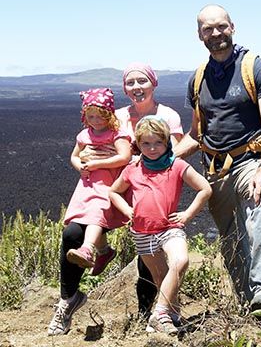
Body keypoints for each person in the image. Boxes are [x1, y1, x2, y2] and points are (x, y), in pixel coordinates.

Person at [174, 4, 261, 311]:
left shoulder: (254, 67)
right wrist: (163, 158)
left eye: (221, 26)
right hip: (215, 170)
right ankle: (248, 306)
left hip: (250, 161)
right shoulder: (198, 79)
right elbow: (196, 134)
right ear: (200, 35)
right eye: (208, 29)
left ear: (232, 27)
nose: (215, 33)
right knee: (231, 239)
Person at [80, 62, 184, 320]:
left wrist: (143, 161)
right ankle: (70, 300)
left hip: (153, 191)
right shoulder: (117, 117)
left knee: (151, 257)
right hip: (118, 186)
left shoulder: (169, 116)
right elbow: (96, 141)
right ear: (124, 87)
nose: (137, 87)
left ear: (153, 83)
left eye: (142, 81)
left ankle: (157, 312)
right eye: (131, 82)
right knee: (78, 231)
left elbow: (176, 151)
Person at [109, 116, 212, 334]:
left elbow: (205, 189)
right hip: (142, 232)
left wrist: (187, 215)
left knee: (181, 260)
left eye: (158, 142)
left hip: (169, 228)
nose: (153, 148)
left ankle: (159, 313)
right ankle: (172, 315)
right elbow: (113, 192)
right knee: (160, 277)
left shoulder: (177, 165)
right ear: (138, 144)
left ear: (167, 142)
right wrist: (127, 210)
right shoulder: (133, 169)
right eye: (146, 143)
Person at [48, 88, 132, 336]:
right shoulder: (84, 134)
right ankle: (104, 251)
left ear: (109, 114)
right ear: (85, 116)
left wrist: (97, 163)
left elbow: (125, 156)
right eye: (91, 116)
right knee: (75, 224)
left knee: (96, 214)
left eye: (100, 116)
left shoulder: (118, 133)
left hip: (107, 185)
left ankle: (89, 250)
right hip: (85, 185)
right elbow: (74, 156)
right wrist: (80, 167)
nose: (96, 121)